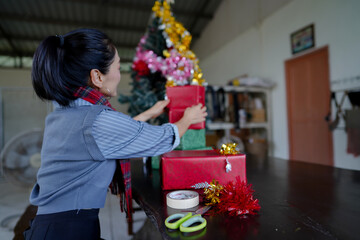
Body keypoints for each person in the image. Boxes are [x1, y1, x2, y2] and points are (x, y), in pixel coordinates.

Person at [25, 28, 207, 240]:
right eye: (119, 67)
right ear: (97, 76)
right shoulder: (97, 120)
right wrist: (187, 119)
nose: (120, 75)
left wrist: (149, 113)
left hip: (50, 227)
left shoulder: (67, 113)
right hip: (69, 232)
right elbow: (161, 139)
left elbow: (110, 137)